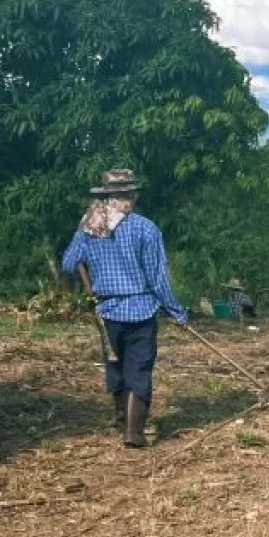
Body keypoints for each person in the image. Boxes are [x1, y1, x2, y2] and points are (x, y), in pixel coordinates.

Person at [62, 169, 189, 448]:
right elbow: (158, 278)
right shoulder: (146, 228)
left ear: (106, 196)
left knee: (115, 366)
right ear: (131, 195)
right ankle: (133, 432)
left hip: (107, 311)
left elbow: (69, 264)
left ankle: (121, 418)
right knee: (139, 369)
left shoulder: (88, 228)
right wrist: (176, 310)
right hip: (141, 310)